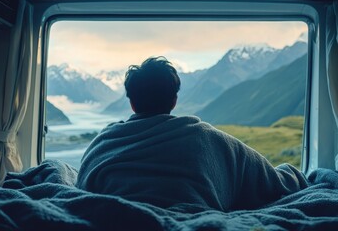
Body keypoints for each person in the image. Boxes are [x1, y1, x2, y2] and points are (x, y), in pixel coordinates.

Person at [76, 56, 308, 211]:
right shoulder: (212, 140)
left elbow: (82, 188)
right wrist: (293, 173)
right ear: (174, 100)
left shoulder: (103, 143)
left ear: (132, 103)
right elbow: (273, 182)